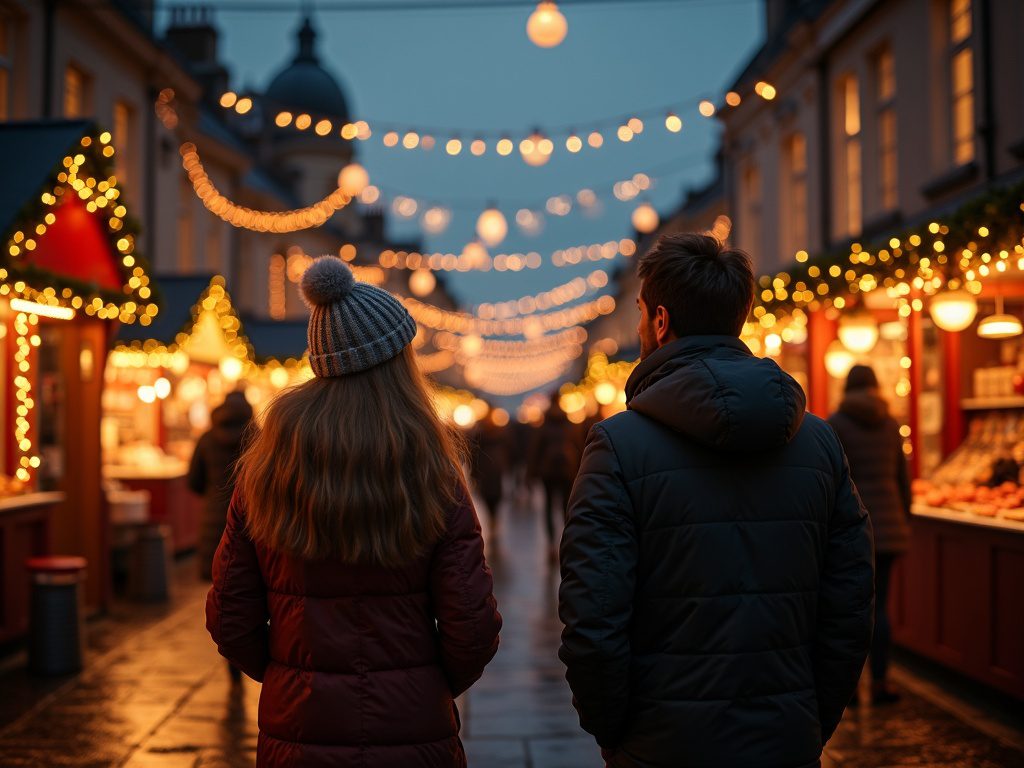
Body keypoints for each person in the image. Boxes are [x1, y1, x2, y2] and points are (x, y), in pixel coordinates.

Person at [558, 233, 874, 768]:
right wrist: (812, 718)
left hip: (662, 745)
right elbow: (850, 603)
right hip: (786, 740)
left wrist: (615, 731)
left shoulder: (618, 446)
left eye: (640, 314)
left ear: (660, 321)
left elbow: (594, 614)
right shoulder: (819, 442)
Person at [206, 257, 502, 768]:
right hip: (412, 730)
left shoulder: (267, 468)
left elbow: (231, 617)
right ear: (397, 364)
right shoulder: (433, 471)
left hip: (298, 730)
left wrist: (288, 674)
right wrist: (422, 683)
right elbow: (471, 627)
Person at [829, 364, 910, 705]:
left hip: (853, 529)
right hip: (890, 528)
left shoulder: (836, 424)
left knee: (848, 607)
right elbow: (903, 480)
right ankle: (880, 682)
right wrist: (903, 520)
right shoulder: (891, 424)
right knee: (882, 608)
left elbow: (834, 482)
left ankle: (849, 687)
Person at [188, 390, 253, 583]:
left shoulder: (207, 438)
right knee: (244, 579)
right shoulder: (256, 437)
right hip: (248, 516)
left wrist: (212, 495)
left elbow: (193, 480)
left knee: (213, 580)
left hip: (212, 517)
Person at [529, 401, 580, 559]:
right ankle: (568, 540)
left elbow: (535, 450)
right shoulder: (570, 425)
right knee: (567, 507)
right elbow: (579, 447)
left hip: (548, 472)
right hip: (567, 471)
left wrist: (531, 473)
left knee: (549, 506)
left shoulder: (544, 427)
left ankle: (551, 544)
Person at [469, 411, 507, 536]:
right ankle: (494, 516)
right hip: (497, 466)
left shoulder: (479, 434)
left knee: (486, 494)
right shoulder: (500, 433)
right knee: (496, 494)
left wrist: (473, 472)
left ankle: (491, 516)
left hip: (484, 467)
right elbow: (508, 448)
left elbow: (473, 454)